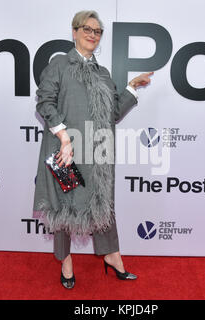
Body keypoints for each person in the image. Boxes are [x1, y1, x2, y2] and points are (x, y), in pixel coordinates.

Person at [33, 10, 153, 289]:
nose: (92, 34)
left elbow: (112, 113)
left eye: (97, 31)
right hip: (66, 151)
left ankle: (112, 255)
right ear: (74, 32)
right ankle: (65, 262)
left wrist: (132, 88)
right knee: (64, 209)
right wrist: (63, 136)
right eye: (86, 29)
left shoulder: (103, 72)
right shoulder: (59, 65)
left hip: (98, 153)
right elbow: (44, 102)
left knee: (102, 205)